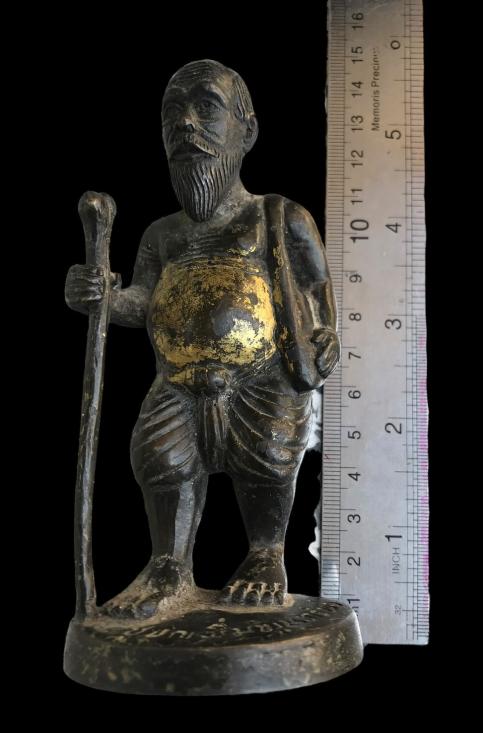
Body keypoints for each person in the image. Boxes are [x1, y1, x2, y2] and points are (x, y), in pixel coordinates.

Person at [65, 59, 339, 618]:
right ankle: (169, 568)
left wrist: (324, 333)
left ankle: (265, 556)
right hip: (178, 382)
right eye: (172, 115)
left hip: (263, 378)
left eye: (206, 108)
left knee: (269, 459)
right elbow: (142, 300)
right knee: (161, 460)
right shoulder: (161, 234)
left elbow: (315, 284)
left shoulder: (277, 216)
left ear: (248, 131)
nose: (185, 125)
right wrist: (101, 298)